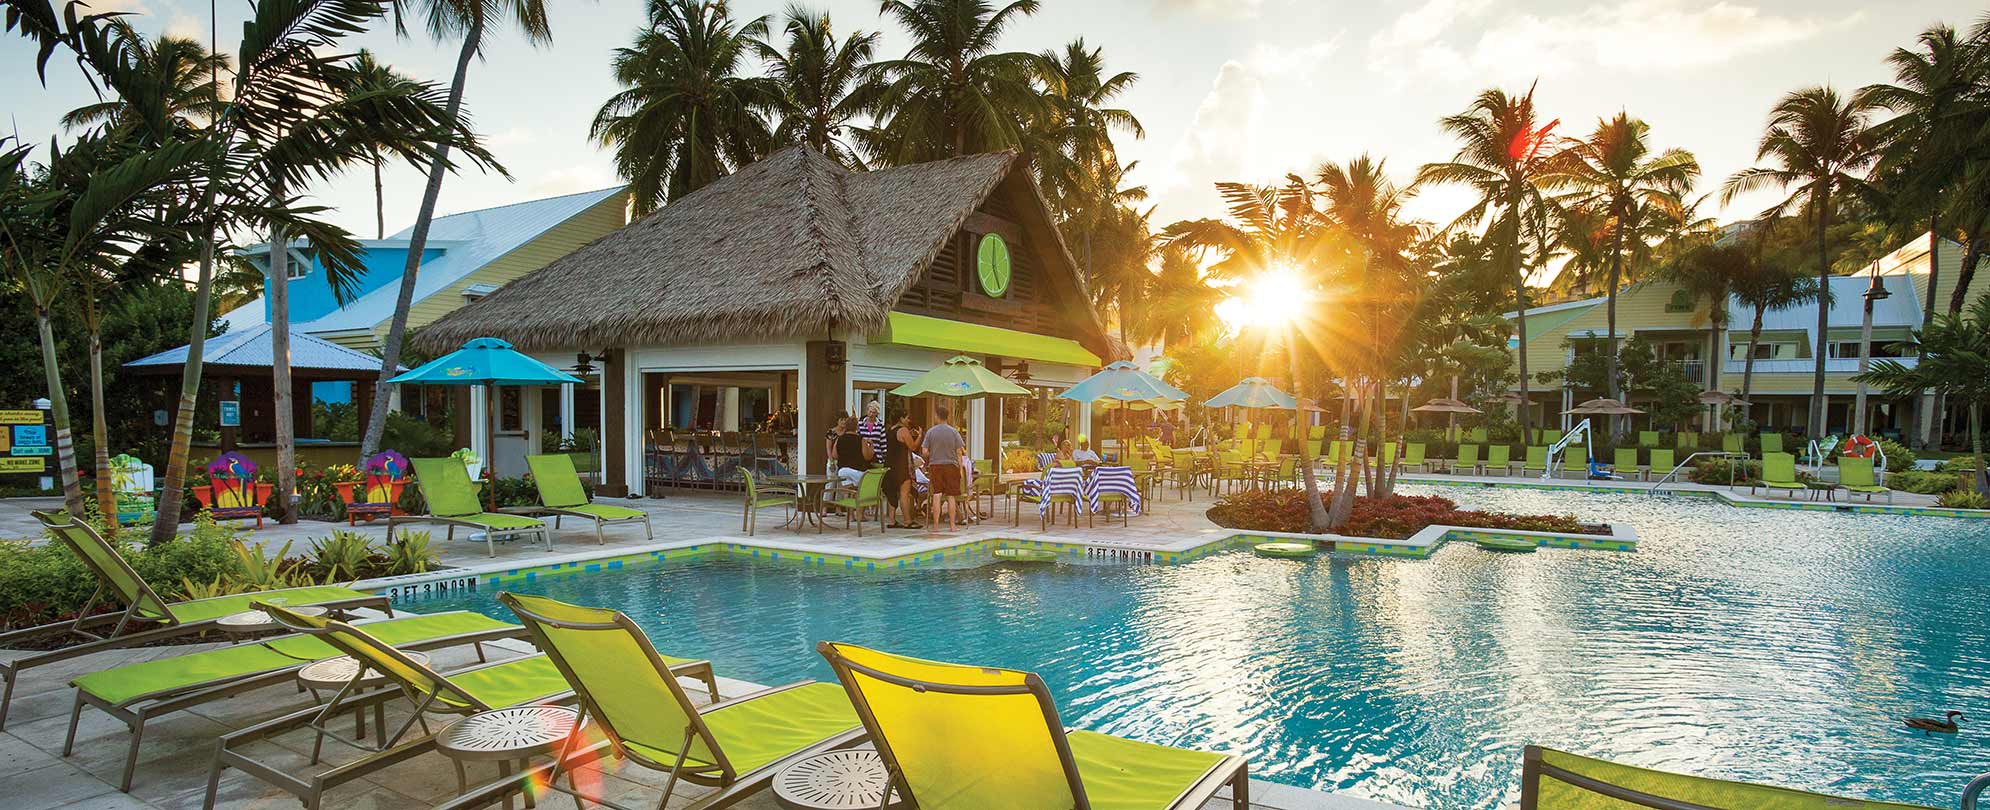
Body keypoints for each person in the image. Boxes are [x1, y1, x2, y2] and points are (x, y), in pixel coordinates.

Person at [922, 404, 965, 532]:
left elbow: (924, 451)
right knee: (951, 496)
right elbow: (959, 452)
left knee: (937, 495)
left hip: (935, 465)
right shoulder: (953, 432)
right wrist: (960, 470)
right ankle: (952, 525)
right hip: (951, 466)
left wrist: (933, 453)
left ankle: (935, 526)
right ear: (947, 417)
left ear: (937, 416)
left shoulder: (930, 432)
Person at [885, 414, 920, 529]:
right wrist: (920, 436)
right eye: (906, 418)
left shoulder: (890, 430)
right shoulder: (903, 430)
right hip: (901, 466)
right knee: (904, 494)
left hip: (890, 465)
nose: (909, 420)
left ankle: (891, 520)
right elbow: (913, 446)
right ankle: (907, 520)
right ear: (901, 418)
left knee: (891, 493)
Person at [832, 416, 871, 488]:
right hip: (858, 471)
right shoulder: (861, 440)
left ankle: (849, 496)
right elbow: (867, 457)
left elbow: (834, 455)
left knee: (847, 487)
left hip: (843, 470)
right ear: (856, 427)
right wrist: (871, 447)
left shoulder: (839, 439)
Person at [858, 401, 887, 466]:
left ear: (877, 413)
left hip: (877, 456)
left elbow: (883, 443)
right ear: (867, 411)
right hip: (863, 455)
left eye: (873, 413)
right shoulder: (860, 424)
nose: (871, 414)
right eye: (870, 411)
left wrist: (884, 459)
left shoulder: (880, 425)